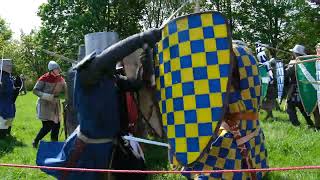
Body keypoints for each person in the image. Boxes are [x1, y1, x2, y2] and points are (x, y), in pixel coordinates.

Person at [35, 29, 161, 179]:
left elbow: (136, 85)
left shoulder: (111, 77)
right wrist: (141, 38)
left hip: (112, 144)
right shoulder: (86, 75)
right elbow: (110, 56)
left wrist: (147, 57)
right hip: (89, 148)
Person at [32, 61, 67, 148]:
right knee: (47, 126)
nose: (58, 70)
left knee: (56, 126)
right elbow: (35, 90)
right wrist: (48, 96)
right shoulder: (44, 78)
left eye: (58, 68)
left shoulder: (61, 79)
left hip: (55, 105)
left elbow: (66, 90)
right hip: (45, 105)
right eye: (56, 69)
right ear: (52, 70)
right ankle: (35, 141)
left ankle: (54, 145)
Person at [285, 44, 315, 127]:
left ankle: (296, 125)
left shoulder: (295, 63)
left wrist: (286, 68)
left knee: (290, 107)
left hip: (295, 88)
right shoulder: (305, 63)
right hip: (302, 89)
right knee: (302, 107)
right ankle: (310, 123)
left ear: (295, 53)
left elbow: (287, 74)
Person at [0, 59, 16, 138]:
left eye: (11, 66)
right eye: (8, 66)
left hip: (10, 101)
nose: (10, 67)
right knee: (3, 117)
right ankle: (2, 135)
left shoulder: (9, 76)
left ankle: (7, 133)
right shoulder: (1, 77)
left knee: (11, 116)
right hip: (3, 102)